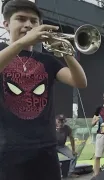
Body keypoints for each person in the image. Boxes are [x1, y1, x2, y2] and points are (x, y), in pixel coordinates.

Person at [0, 1, 87, 180]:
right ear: (6, 24)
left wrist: (64, 51)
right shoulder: (3, 52)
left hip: (46, 148)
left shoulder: (48, 61)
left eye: (34, 21)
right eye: (21, 19)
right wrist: (22, 42)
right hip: (7, 149)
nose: (28, 25)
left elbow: (80, 82)